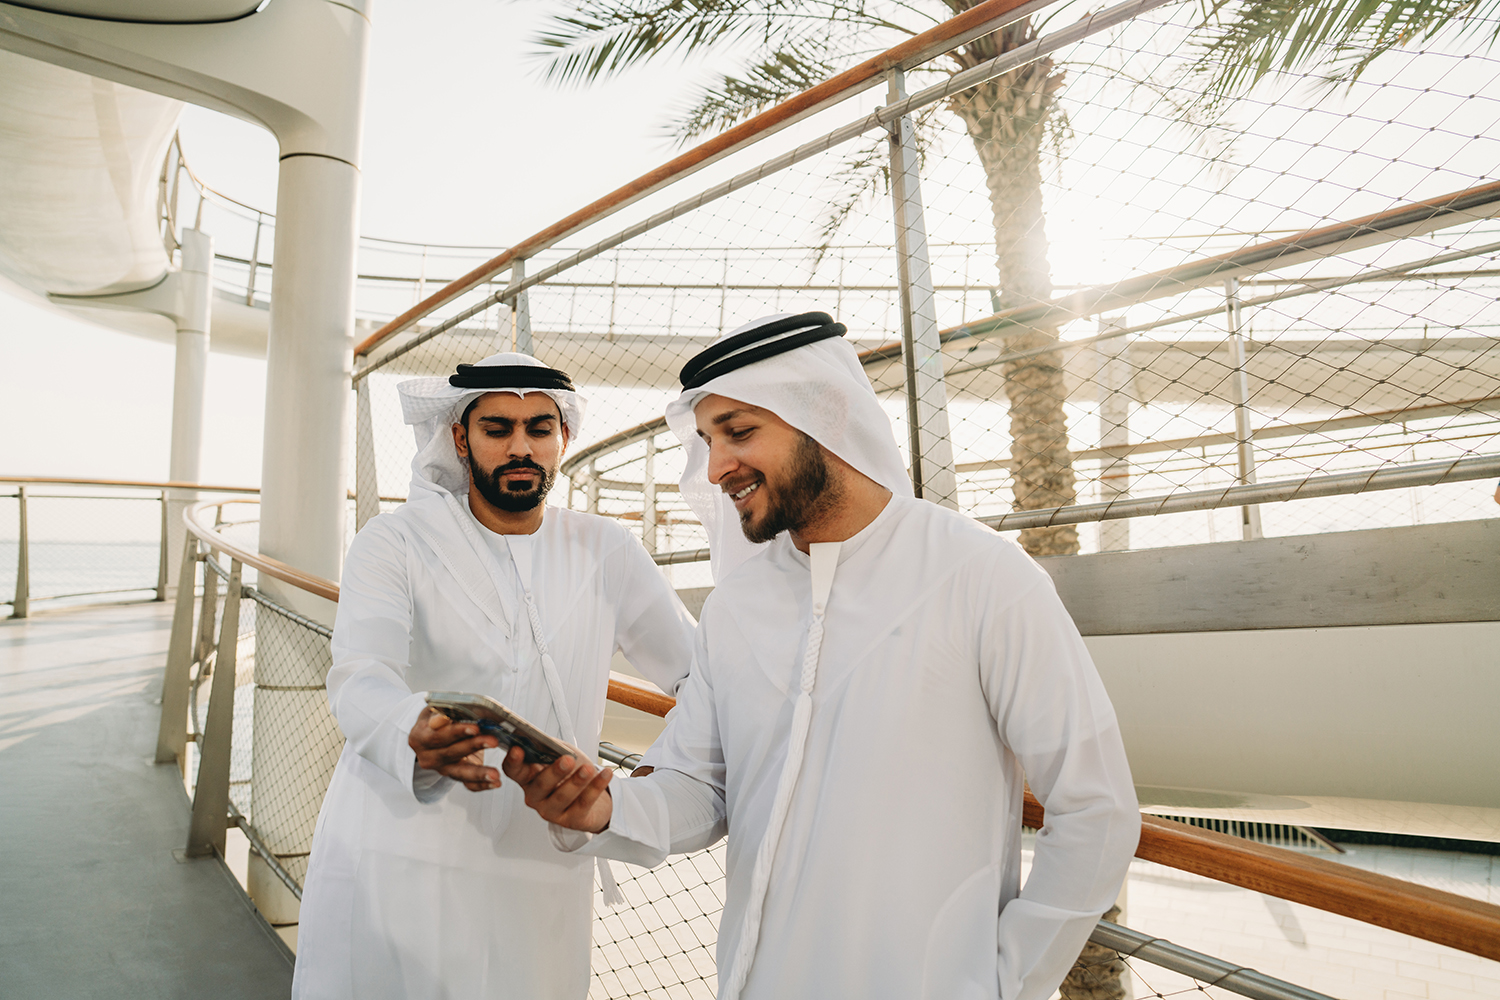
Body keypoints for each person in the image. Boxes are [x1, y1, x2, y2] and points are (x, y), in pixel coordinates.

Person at [505, 314, 1141, 1000]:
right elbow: (700, 787)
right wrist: (600, 810)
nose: (717, 467)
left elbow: (1096, 809)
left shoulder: (982, 577)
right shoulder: (737, 606)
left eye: (740, 432)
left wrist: (1004, 983)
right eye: (708, 441)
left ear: (827, 413)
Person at [291, 353, 696, 1000]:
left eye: (540, 428)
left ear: (564, 439)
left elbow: (697, 675)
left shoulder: (606, 548)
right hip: (404, 843)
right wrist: (409, 728)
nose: (520, 447)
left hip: (541, 851)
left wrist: (658, 778)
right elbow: (361, 673)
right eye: (498, 427)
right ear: (459, 437)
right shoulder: (394, 541)